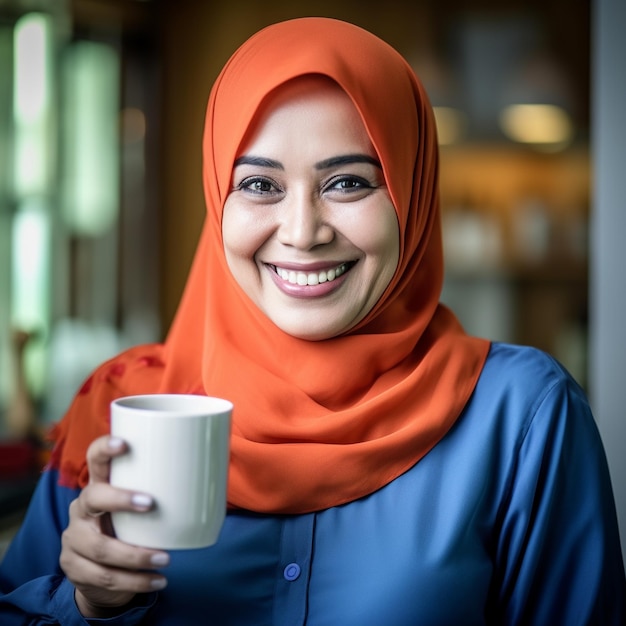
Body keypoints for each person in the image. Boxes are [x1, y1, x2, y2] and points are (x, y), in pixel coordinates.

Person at [0, 16, 624, 625]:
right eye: (260, 185)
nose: (302, 232)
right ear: (218, 198)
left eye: (348, 181)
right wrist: (82, 605)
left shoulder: (521, 415)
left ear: (411, 191)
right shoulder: (120, 406)